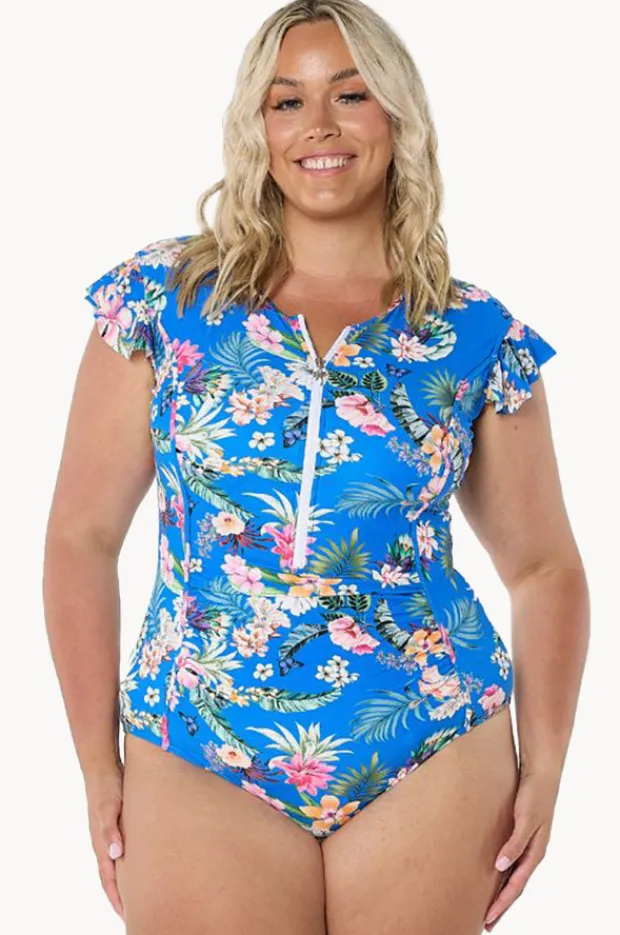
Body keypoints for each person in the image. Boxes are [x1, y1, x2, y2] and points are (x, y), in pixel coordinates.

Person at [43, 1, 590, 933]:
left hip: (431, 742)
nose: (320, 126)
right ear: (256, 126)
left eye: (351, 94)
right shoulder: (165, 298)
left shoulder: (472, 333)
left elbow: (544, 567)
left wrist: (546, 766)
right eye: (287, 101)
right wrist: (98, 764)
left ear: (397, 115)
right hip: (200, 737)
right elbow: (80, 537)